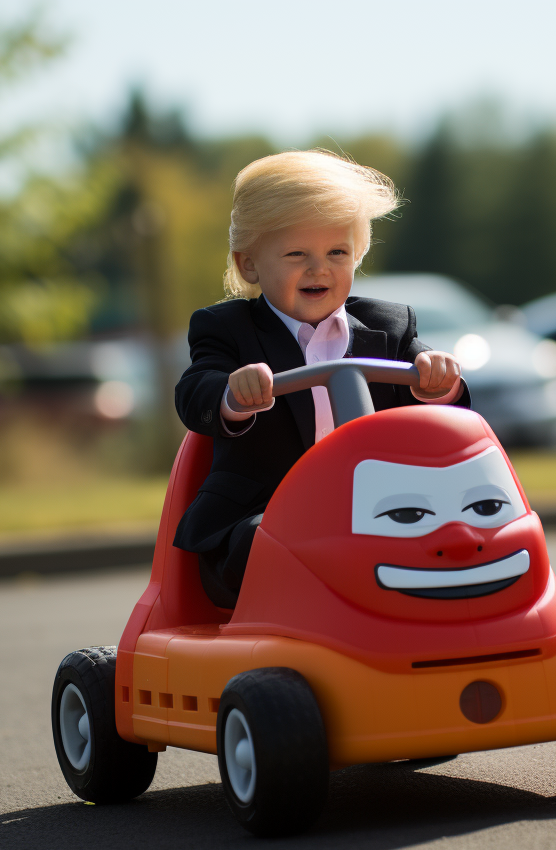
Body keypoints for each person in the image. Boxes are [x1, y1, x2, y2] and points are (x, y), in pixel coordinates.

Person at [173, 150, 469, 607]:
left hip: (383, 515)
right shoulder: (227, 330)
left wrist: (438, 380)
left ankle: (461, 616)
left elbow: (433, 379)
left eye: (337, 252)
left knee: (462, 533)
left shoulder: (388, 326)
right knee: (270, 543)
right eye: (296, 254)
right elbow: (196, 392)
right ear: (249, 264)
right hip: (264, 516)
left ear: (358, 255)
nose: (319, 269)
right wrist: (234, 392)